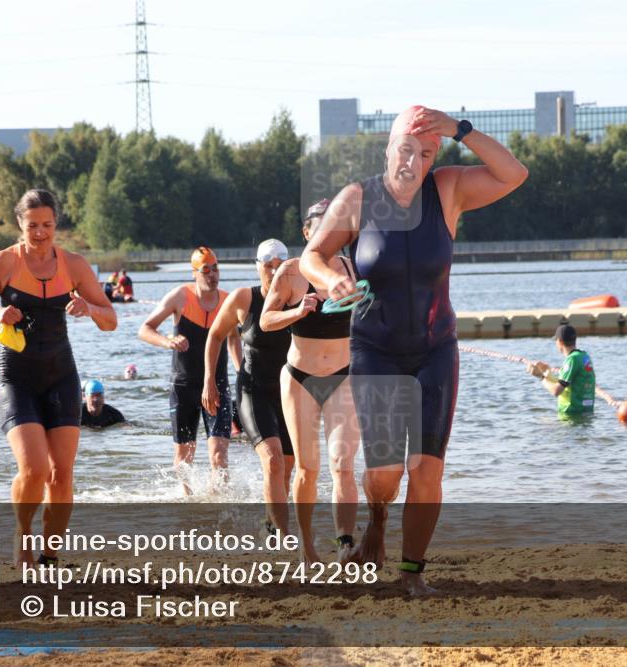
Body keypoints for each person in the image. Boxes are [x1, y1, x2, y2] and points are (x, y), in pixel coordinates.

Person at [300, 105, 528, 594]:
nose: (414, 162)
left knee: (425, 468)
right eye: (406, 150)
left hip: (435, 349)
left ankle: (412, 573)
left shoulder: (447, 190)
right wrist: (330, 278)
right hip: (375, 349)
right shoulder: (358, 199)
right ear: (389, 148)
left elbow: (514, 174)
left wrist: (459, 131)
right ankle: (378, 519)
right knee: (384, 474)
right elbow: (312, 256)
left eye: (426, 153)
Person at [0, 188, 117, 567]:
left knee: (61, 475)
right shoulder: (4, 262)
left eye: (47, 225)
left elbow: (110, 320)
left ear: (56, 223)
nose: (40, 233)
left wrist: (89, 308)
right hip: (16, 375)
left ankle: (50, 555)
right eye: (32, 226)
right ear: (20, 224)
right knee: (34, 469)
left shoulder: (74, 265)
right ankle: (23, 532)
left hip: (61, 375)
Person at [260, 201, 360, 563]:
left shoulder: (351, 268)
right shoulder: (290, 272)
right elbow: (266, 320)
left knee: (342, 463)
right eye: (321, 227)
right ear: (307, 233)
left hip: (343, 377)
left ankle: (345, 544)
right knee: (308, 468)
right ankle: (307, 545)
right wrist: (298, 310)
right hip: (299, 378)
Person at [203, 240, 294, 533]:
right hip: (253, 390)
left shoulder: (299, 297)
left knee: (287, 468)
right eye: (268, 266)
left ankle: (271, 523)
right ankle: (284, 536)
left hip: (290, 393)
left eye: (280, 266)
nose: (274, 272)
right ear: (257, 268)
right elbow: (216, 335)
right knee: (273, 460)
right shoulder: (244, 298)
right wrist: (209, 381)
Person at [139, 247, 241, 494]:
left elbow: (233, 338)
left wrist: (242, 371)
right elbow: (145, 329)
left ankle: (218, 505)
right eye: (206, 270)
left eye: (215, 269)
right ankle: (189, 502)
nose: (212, 275)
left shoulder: (228, 301)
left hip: (216, 385)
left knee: (219, 456)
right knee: (184, 458)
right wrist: (168, 341)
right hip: (183, 386)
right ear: (194, 273)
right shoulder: (180, 297)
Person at [527, 325, 596, 416]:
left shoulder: (572, 359)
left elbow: (556, 391)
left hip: (571, 415)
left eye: (556, 340)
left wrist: (540, 376)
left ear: (560, 341)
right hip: (587, 413)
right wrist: (547, 373)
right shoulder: (584, 356)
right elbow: (566, 385)